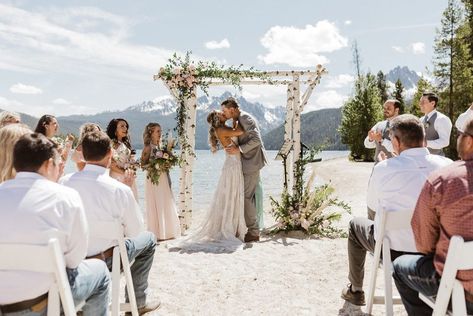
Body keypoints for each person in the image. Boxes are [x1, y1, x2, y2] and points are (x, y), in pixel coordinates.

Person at [341, 114, 452, 306]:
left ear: (396, 142)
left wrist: (388, 165)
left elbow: (373, 206)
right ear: (424, 139)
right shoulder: (448, 165)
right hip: (438, 252)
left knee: (355, 225)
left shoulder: (384, 168)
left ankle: (356, 290)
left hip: (395, 251)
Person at [0, 133, 110, 315]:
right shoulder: (65, 196)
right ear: (48, 163)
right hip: (43, 303)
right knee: (100, 272)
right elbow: (75, 259)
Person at [61, 131, 160, 315]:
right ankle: (137, 303)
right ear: (110, 154)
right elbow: (135, 231)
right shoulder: (120, 190)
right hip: (108, 260)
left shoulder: (64, 183)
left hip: (72, 261)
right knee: (149, 239)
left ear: (82, 153)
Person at [392, 118, 473, 315]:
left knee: (399, 267)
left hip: (462, 291)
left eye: (459, 134)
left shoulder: (443, 180)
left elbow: (424, 245)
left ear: (470, 141)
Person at [173, 110, 247, 252]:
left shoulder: (222, 128)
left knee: (232, 194)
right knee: (231, 194)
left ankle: (233, 224)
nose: (223, 113)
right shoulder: (222, 129)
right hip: (232, 165)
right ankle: (229, 226)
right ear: (218, 118)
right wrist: (236, 117)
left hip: (233, 163)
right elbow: (240, 132)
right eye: (221, 112)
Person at [221, 97, 268, 242]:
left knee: (247, 197)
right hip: (246, 163)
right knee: (246, 196)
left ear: (233, 109)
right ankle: (247, 228)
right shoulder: (237, 119)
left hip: (252, 163)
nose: (224, 114)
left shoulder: (245, 118)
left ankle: (253, 232)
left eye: (225, 111)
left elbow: (256, 140)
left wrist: (238, 149)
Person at [141, 122, 181, 240]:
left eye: (160, 131)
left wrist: (166, 164)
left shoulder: (160, 147)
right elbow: (142, 165)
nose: (160, 134)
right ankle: (157, 232)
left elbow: (165, 160)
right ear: (151, 133)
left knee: (165, 201)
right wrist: (155, 166)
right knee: (156, 201)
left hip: (163, 177)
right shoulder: (148, 148)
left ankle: (167, 231)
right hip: (154, 179)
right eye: (158, 131)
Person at [106, 118, 138, 200]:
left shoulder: (125, 143)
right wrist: (125, 173)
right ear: (115, 130)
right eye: (122, 126)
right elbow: (111, 165)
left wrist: (133, 165)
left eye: (126, 126)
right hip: (117, 177)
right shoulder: (112, 144)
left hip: (127, 176)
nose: (125, 128)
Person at [364, 99, 402, 164]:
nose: (385, 110)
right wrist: (371, 139)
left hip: (395, 167)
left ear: (396, 110)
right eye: (384, 108)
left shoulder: (403, 125)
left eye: (388, 108)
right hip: (378, 166)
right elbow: (367, 145)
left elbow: (400, 149)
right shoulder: (379, 124)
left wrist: (381, 140)